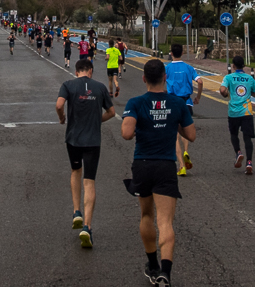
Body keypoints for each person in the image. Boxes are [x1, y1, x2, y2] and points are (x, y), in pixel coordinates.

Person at [122, 59, 195, 287]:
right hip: (165, 165)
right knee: (165, 222)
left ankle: (152, 265)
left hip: (142, 164)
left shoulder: (135, 102)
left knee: (146, 216)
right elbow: (191, 135)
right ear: (165, 77)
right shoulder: (177, 104)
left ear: (144, 78)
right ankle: (165, 272)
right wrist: (174, 123)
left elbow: (126, 133)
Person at [56, 59, 115, 249]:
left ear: (76, 71)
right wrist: (97, 120)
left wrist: (62, 117)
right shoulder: (99, 87)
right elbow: (112, 112)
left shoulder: (68, 85)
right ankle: (87, 228)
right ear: (90, 71)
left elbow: (58, 105)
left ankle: (76, 212)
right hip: (92, 141)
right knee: (89, 181)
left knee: (75, 171)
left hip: (73, 138)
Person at [164, 44, 202, 177]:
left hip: (173, 102)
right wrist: (197, 97)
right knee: (186, 129)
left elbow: (161, 81)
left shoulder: (167, 68)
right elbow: (200, 81)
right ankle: (186, 151)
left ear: (171, 53)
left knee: (175, 135)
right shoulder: (189, 68)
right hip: (187, 102)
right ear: (182, 53)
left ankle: (181, 165)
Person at [220, 55, 255, 174]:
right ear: (244, 66)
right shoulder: (249, 78)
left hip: (233, 112)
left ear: (233, 66)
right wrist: (249, 92)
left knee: (234, 134)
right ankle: (249, 162)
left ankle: (238, 152)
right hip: (247, 111)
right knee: (247, 137)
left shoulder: (229, 77)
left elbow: (223, 90)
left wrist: (225, 94)